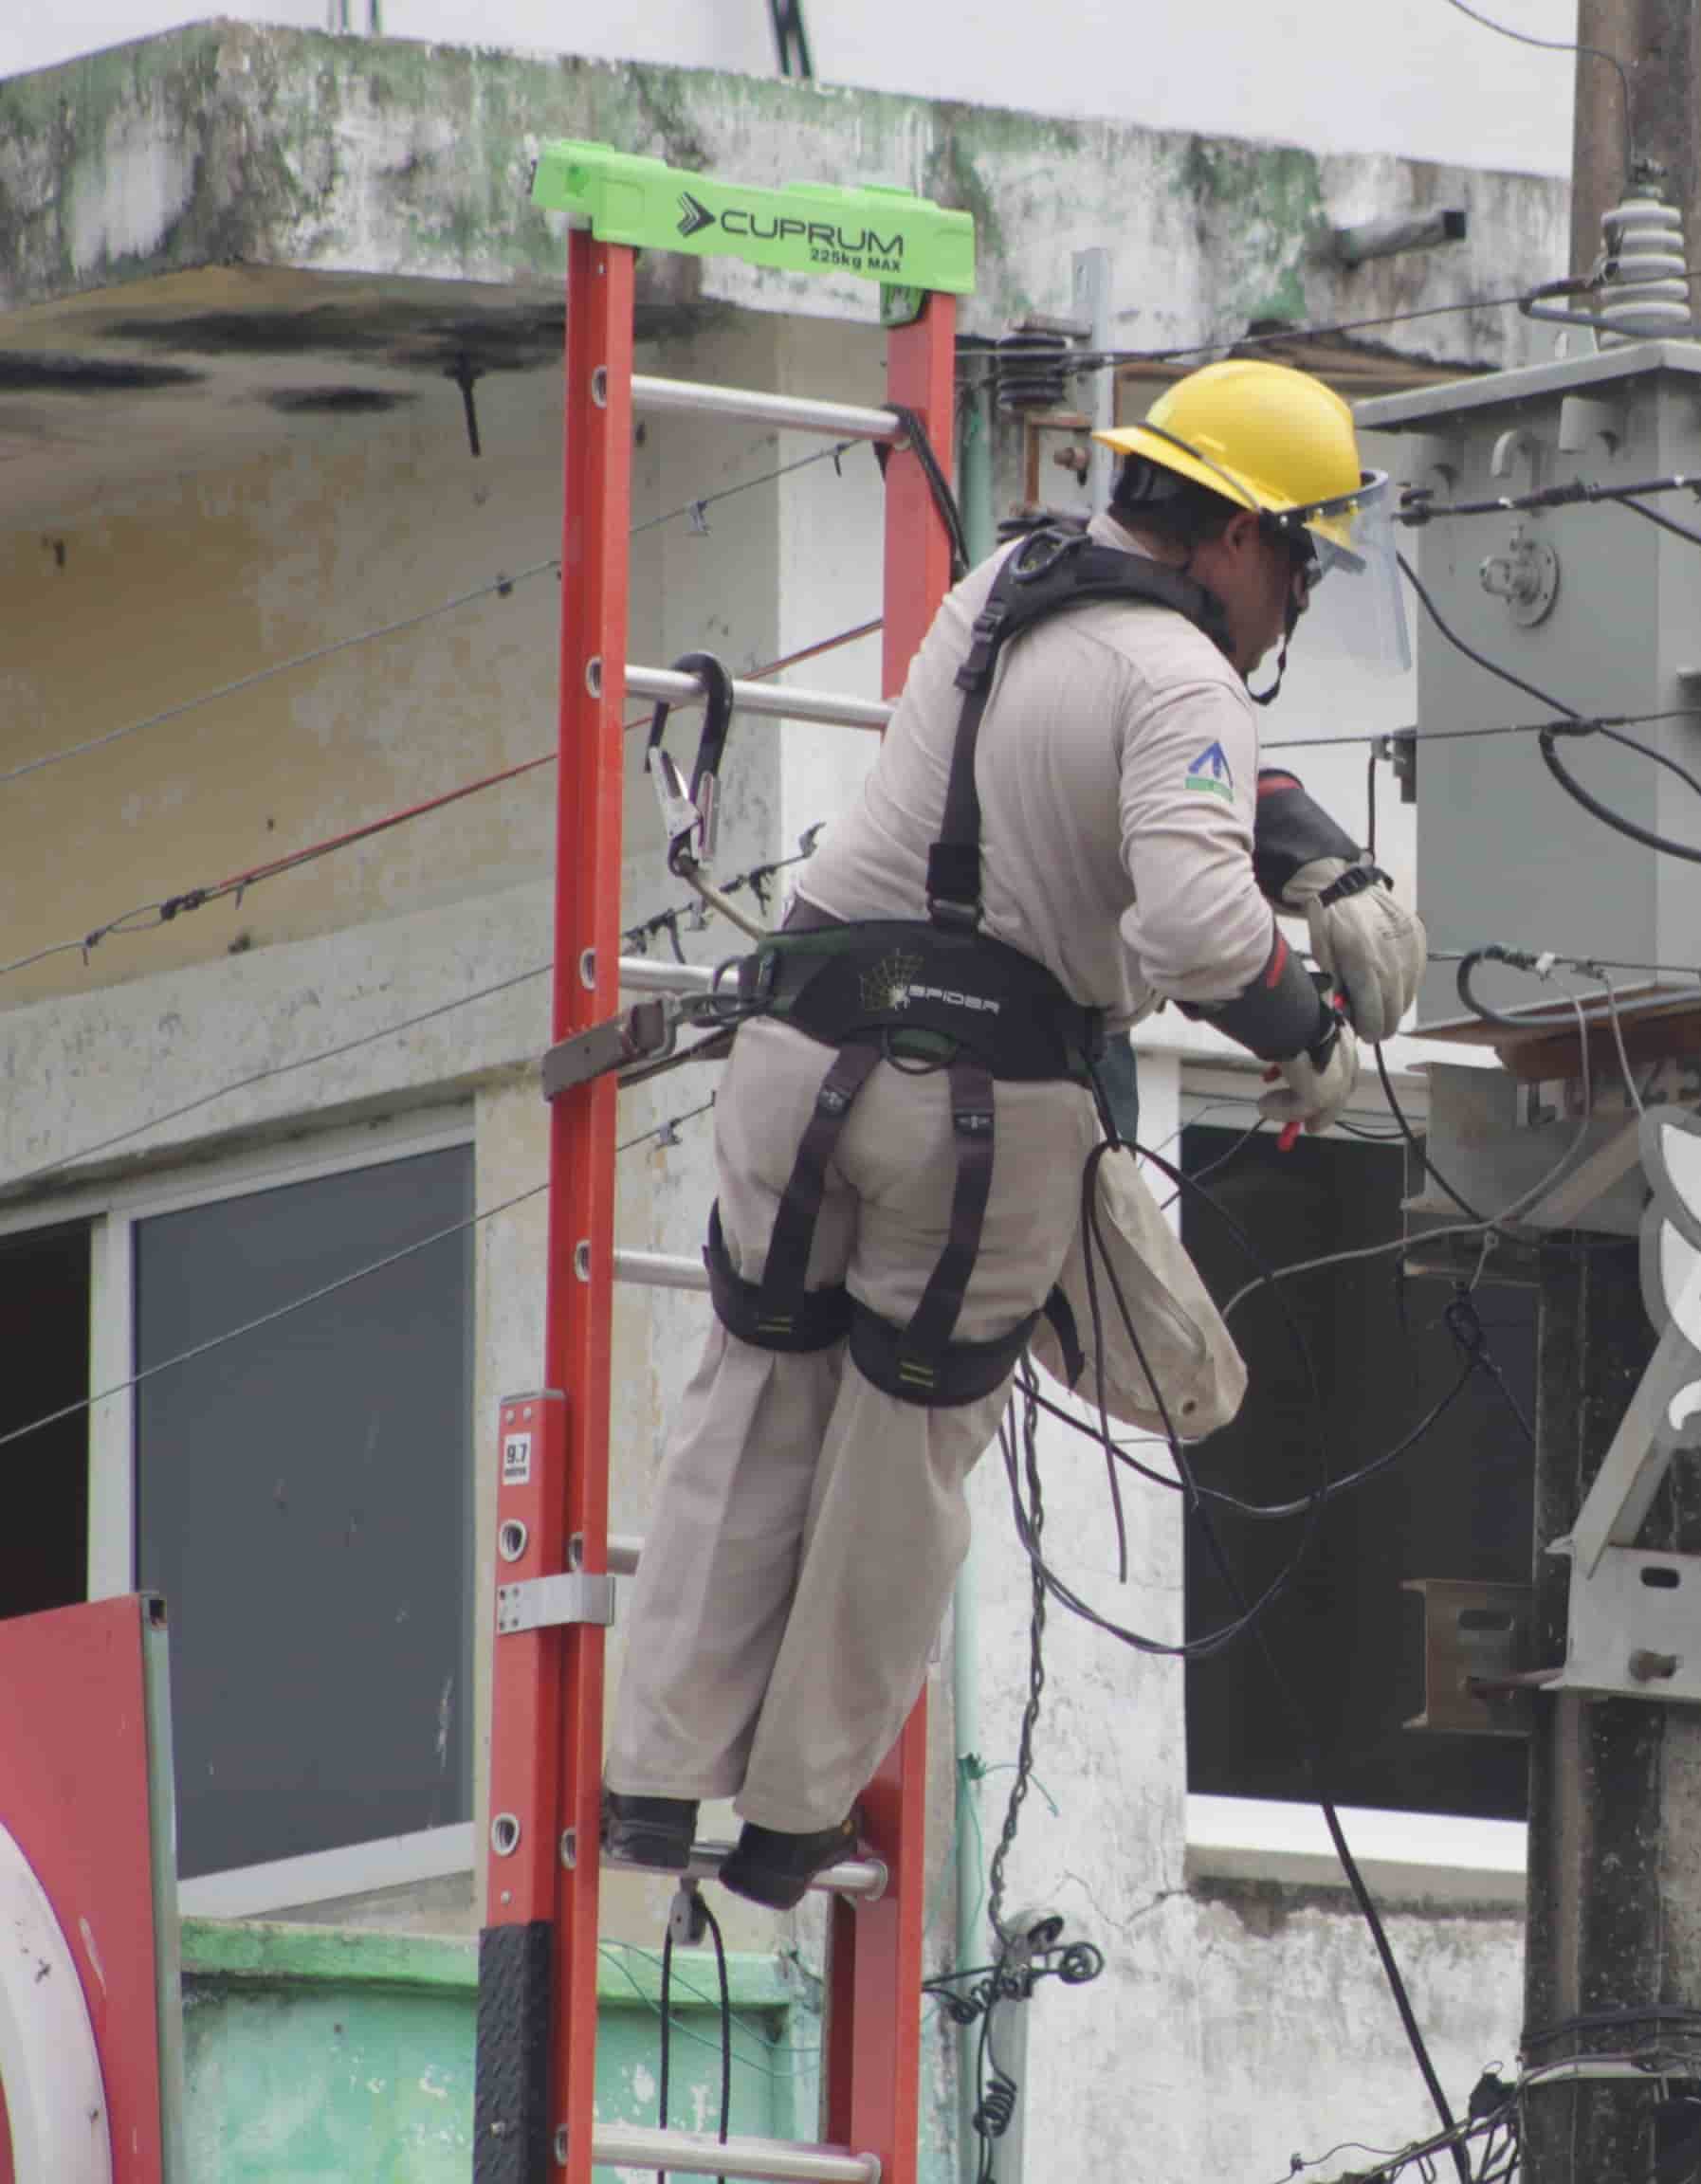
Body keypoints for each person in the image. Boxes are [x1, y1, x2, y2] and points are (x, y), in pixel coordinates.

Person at [596, 358, 1426, 1908]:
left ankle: (652, 1784)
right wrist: (1303, 1032)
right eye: (1301, 561)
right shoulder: (1185, 681)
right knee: (898, 1454)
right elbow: (1187, 920)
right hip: (973, 1122)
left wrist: (1310, 852)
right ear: (1241, 539)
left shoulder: (1006, 587)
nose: (1295, 605)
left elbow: (1113, 770)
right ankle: (786, 1824)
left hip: (801, 1053)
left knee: (755, 1391)